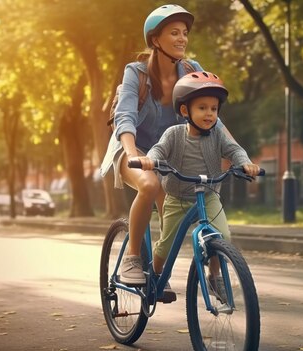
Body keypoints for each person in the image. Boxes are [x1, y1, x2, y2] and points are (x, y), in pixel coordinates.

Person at [99, 5, 231, 292]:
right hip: (132, 147)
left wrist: (233, 152)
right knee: (149, 185)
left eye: (184, 33)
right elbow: (125, 116)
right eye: (174, 33)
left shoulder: (192, 70)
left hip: (171, 153)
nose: (182, 38)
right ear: (155, 40)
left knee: (172, 214)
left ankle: (158, 273)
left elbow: (211, 118)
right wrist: (133, 153)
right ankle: (133, 259)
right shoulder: (136, 72)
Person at [133, 71, 260, 303]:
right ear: (185, 111)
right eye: (202, 108)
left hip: (209, 196)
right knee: (166, 246)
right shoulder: (174, 134)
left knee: (222, 235)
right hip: (178, 198)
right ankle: (156, 275)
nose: (209, 113)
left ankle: (214, 275)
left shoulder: (218, 136)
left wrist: (246, 163)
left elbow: (234, 150)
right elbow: (158, 150)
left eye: (213, 108)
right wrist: (149, 160)